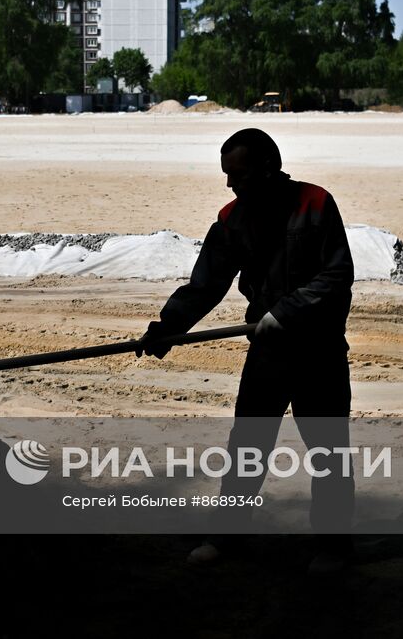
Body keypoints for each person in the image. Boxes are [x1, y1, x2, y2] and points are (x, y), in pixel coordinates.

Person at [138, 128, 355, 574]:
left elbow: (337, 276)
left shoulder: (315, 203)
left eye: (238, 174)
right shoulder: (232, 218)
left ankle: (334, 546)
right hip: (269, 351)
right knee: (248, 447)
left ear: (269, 168)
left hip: (318, 351)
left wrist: (288, 311)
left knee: (328, 451)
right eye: (227, 175)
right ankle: (228, 534)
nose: (230, 183)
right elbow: (206, 285)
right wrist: (167, 328)